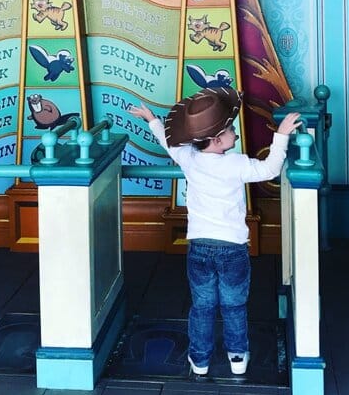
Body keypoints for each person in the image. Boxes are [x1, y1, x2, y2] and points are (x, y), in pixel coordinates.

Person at [129, 87, 301, 376]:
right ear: (218, 140)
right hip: (233, 248)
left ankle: (200, 360)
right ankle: (237, 358)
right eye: (231, 130)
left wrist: (151, 120)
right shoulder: (237, 164)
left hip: (199, 247)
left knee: (202, 306)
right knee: (234, 305)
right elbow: (271, 168)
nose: (235, 133)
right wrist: (281, 134)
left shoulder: (189, 159)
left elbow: (166, 142)